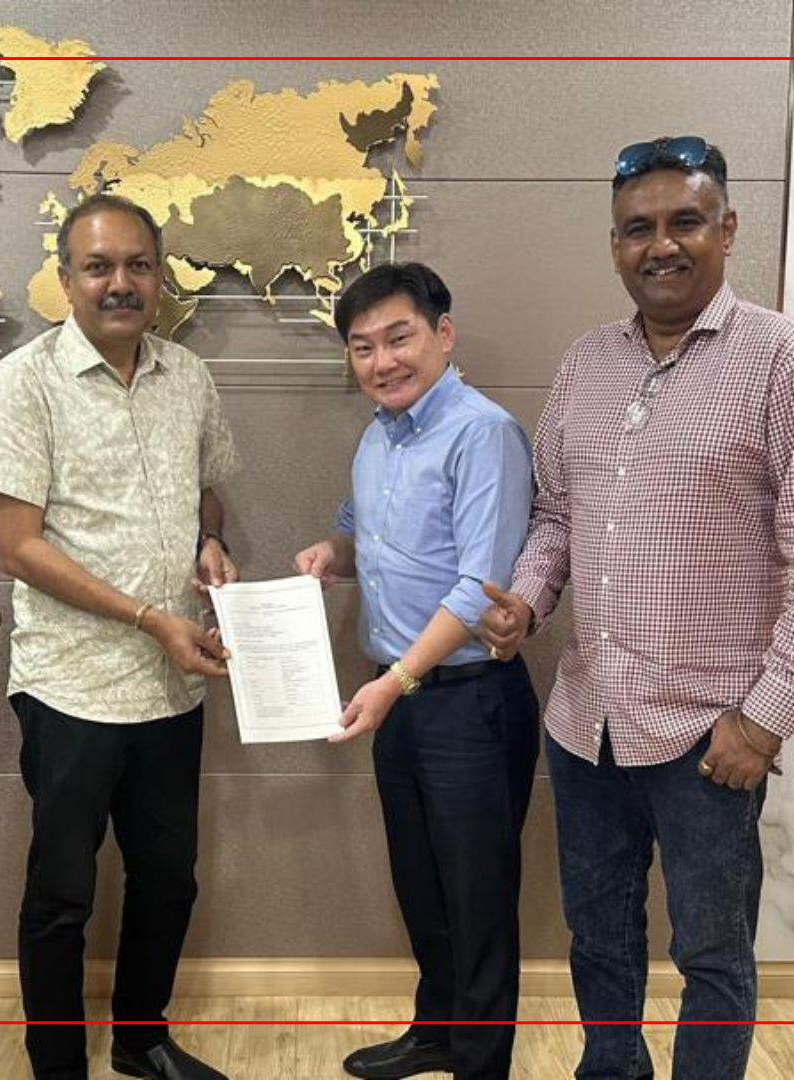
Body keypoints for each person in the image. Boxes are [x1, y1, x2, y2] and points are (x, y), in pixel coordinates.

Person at [477, 136, 794, 1080]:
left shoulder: (789, 363)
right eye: (637, 228)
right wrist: (528, 601)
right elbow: (558, 513)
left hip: (710, 737)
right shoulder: (586, 364)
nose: (661, 245)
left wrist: (763, 723)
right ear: (615, 245)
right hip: (587, 724)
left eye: (684, 222)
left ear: (727, 230)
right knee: (598, 935)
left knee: (713, 955)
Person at [0, 193, 240, 1080]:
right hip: (71, 686)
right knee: (62, 892)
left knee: (169, 878)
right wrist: (147, 617)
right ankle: (57, 1066)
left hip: (172, 686)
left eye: (137, 265)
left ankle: (140, 1040)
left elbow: (207, 489)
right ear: (65, 279)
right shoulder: (25, 381)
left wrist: (209, 543)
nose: (119, 283)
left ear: (159, 277)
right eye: (98, 267)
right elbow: (17, 546)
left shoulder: (187, 375)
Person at [293, 263, 540, 1080]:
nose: (382, 361)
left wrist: (395, 681)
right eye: (362, 347)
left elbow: (478, 587)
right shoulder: (378, 434)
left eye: (398, 338)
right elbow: (358, 530)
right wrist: (330, 554)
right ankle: (437, 1032)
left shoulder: (483, 433)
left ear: (443, 333)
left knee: (478, 902)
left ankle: (480, 1064)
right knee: (422, 885)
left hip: (469, 702)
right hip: (400, 699)